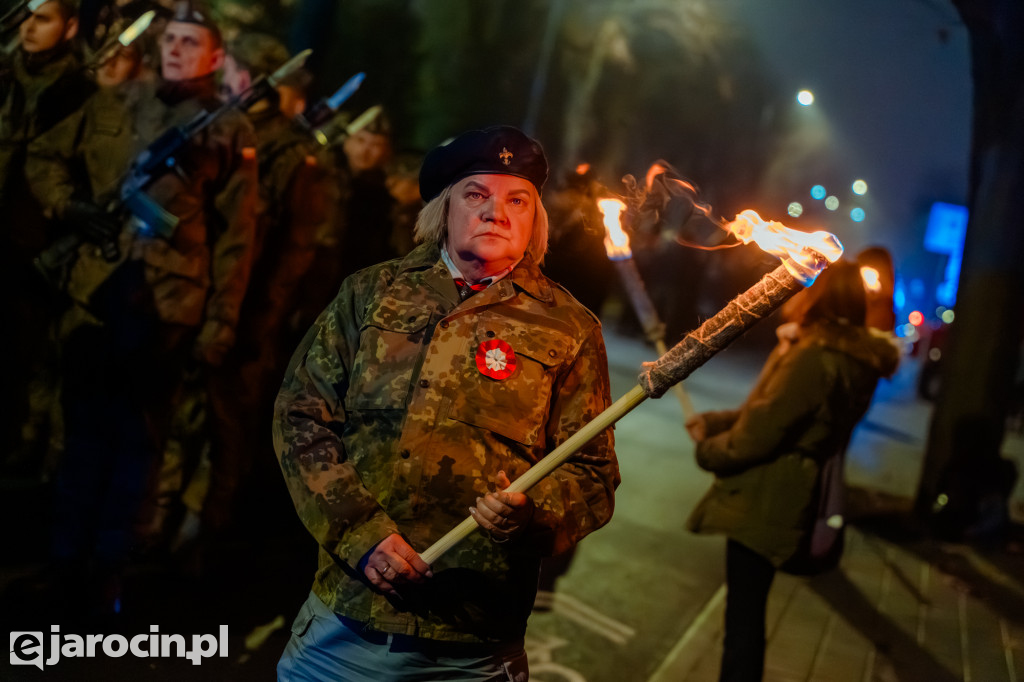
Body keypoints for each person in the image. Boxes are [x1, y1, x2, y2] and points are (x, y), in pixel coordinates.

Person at [274, 125, 620, 680]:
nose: (496, 212)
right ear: (445, 208)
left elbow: (593, 477)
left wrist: (532, 515)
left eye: (517, 200)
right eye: (475, 194)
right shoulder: (371, 292)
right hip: (346, 629)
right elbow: (301, 416)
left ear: (535, 220)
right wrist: (362, 535)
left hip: (474, 648)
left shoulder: (570, 328)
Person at [25, 0, 257, 612]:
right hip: (94, 292)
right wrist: (69, 208)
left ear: (213, 56)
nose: (176, 49)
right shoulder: (116, 102)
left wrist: (219, 324)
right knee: (80, 434)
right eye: (171, 39)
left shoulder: (228, 130)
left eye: (190, 41)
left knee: (137, 445)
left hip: (168, 306)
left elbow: (238, 240)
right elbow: (44, 156)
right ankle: (62, 559)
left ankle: (109, 569)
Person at [684, 260, 900, 682]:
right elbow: (774, 412)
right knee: (748, 613)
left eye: (807, 286)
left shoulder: (816, 357)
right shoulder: (853, 357)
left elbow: (763, 430)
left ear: (821, 296)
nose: (796, 290)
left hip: (770, 498)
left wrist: (710, 451)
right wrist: (714, 422)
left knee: (743, 621)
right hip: (793, 490)